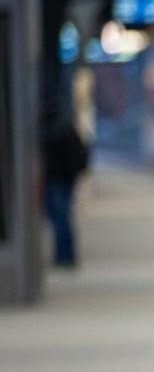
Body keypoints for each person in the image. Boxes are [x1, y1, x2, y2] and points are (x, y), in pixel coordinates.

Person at [42, 112, 89, 269]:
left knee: (60, 218)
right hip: (66, 178)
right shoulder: (65, 125)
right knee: (62, 217)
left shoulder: (53, 128)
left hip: (58, 178)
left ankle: (64, 256)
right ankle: (65, 255)